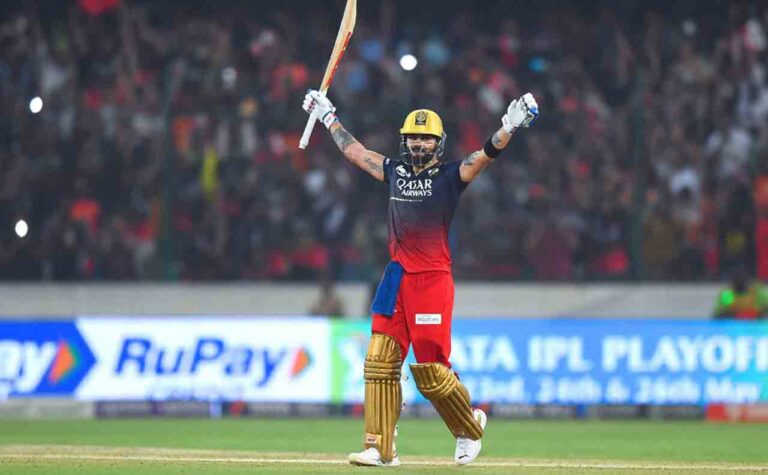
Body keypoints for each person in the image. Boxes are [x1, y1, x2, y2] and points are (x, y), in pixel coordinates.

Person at [302, 89, 538, 466]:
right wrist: (328, 117)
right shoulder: (394, 171)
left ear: (438, 142)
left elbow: (484, 156)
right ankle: (381, 448)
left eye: (425, 138)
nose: (418, 143)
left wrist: (508, 125)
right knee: (379, 361)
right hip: (396, 277)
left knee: (431, 371)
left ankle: (468, 426)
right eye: (413, 137)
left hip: (431, 278)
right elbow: (356, 152)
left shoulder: (450, 176)